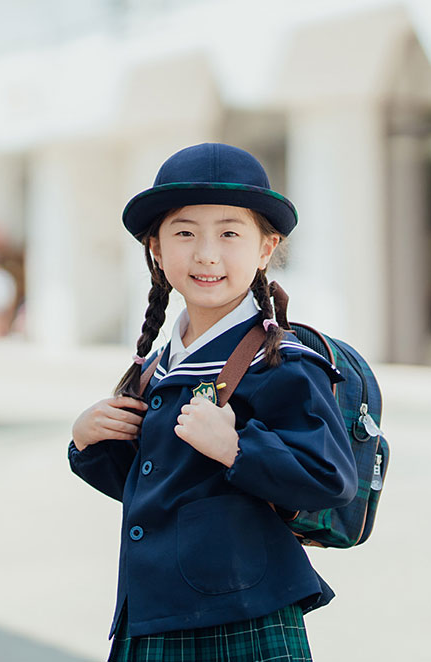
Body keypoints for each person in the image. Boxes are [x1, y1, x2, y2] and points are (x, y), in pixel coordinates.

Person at [68, 143, 358, 662]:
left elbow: (330, 479)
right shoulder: (159, 363)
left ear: (266, 248)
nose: (206, 254)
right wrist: (88, 443)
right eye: (184, 233)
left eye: (229, 233)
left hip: (242, 620)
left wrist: (237, 448)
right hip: (153, 612)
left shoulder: (282, 361)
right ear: (155, 247)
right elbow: (159, 489)